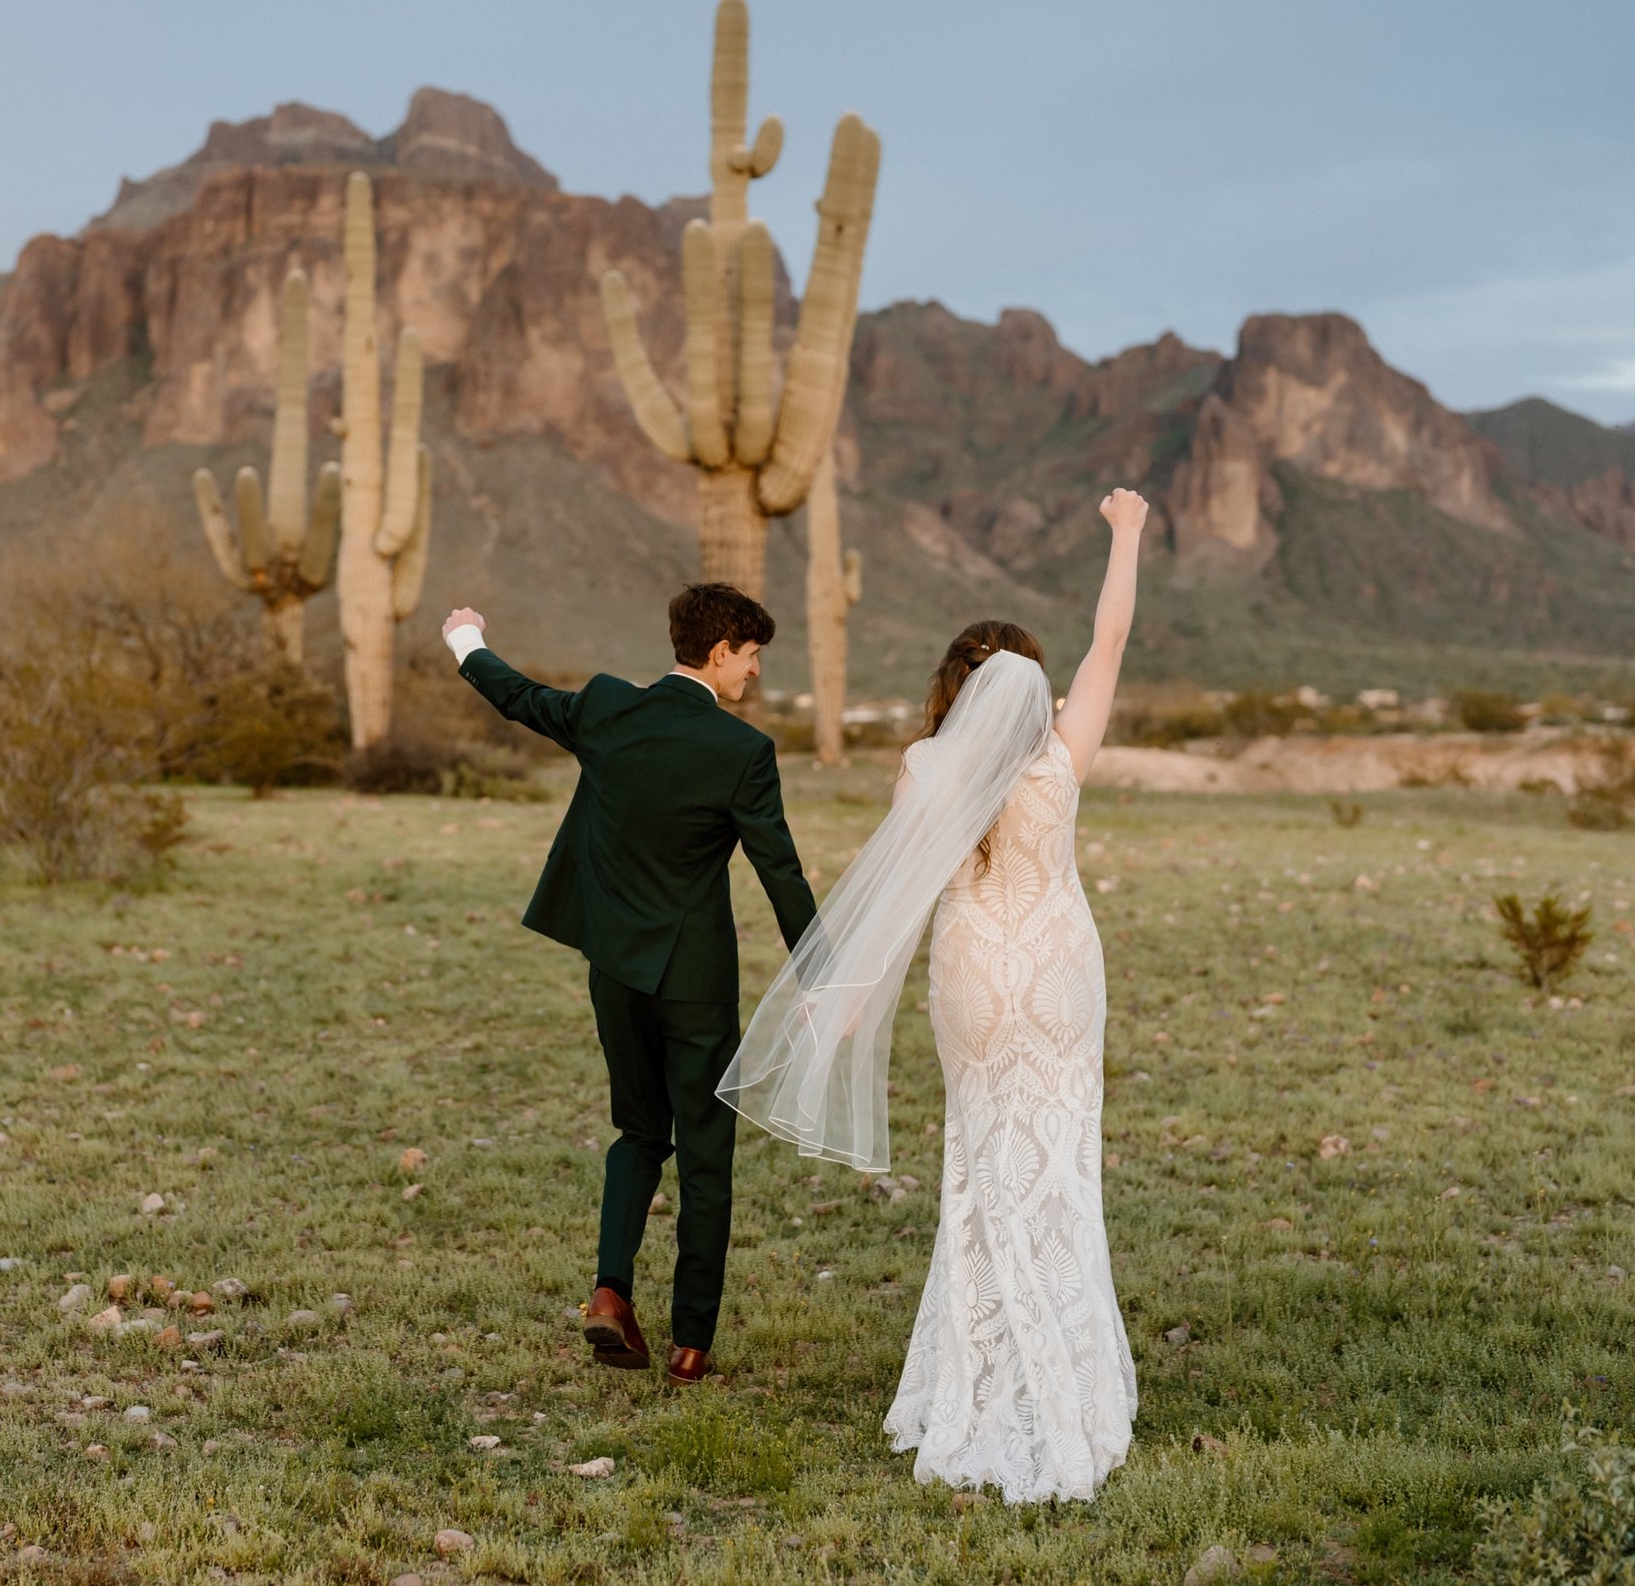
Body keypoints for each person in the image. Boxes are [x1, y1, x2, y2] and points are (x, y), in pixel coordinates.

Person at [721, 488, 1148, 1501]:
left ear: (953, 686)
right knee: (1058, 1165)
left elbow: (896, 903)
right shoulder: (1063, 752)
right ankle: (1070, 1385)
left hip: (970, 979)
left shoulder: (925, 765)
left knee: (981, 1165)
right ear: (1027, 683)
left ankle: (984, 1375)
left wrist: (848, 1002)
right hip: (1057, 971)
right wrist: (1125, 533)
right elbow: (1112, 634)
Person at [442, 583, 817, 1385]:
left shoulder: (608, 708)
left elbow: (519, 697)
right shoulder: (741, 752)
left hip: (613, 971)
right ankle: (690, 1346)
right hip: (695, 982)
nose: (754, 674)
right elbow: (778, 868)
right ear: (720, 652)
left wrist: (467, 639)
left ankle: (611, 1292)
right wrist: (822, 974)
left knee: (640, 1132)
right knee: (706, 1151)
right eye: (751, 657)